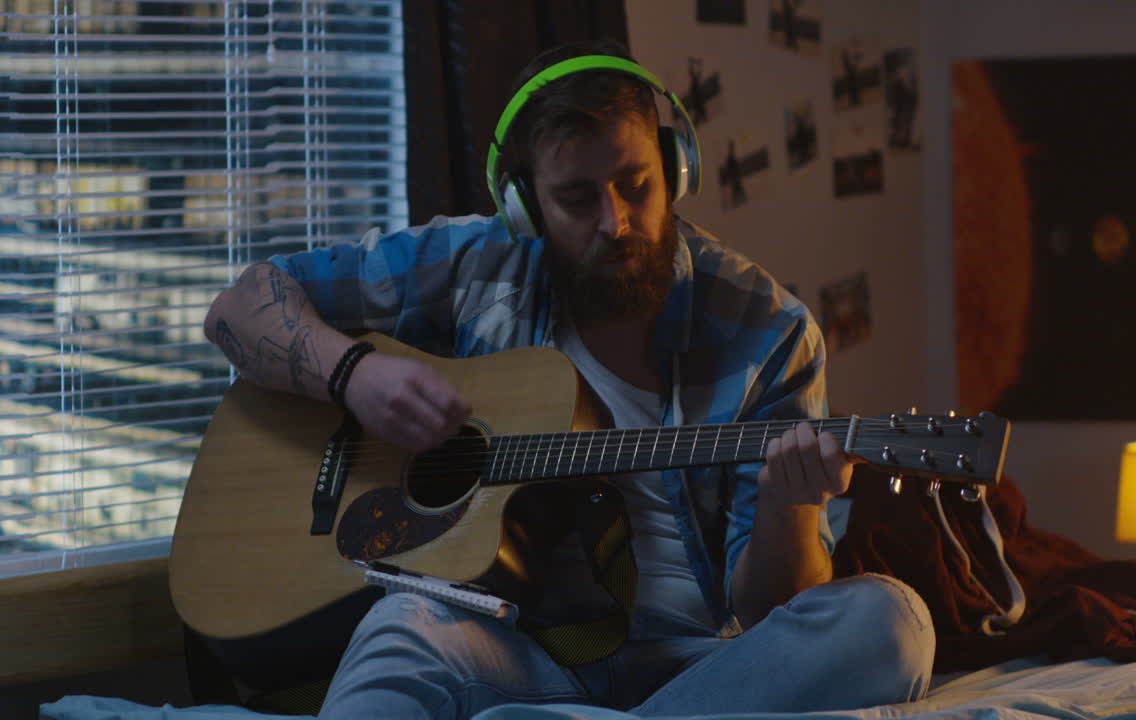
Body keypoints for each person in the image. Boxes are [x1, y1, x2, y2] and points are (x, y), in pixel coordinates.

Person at [203, 39, 934, 720]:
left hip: (701, 667)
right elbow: (241, 306)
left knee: (890, 623)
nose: (616, 222)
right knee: (404, 623)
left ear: (675, 169)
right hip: (514, 647)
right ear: (525, 206)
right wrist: (352, 375)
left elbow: (774, 606)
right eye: (578, 199)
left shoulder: (770, 330)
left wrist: (789, 507)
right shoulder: (473, 264)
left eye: (636, 184)